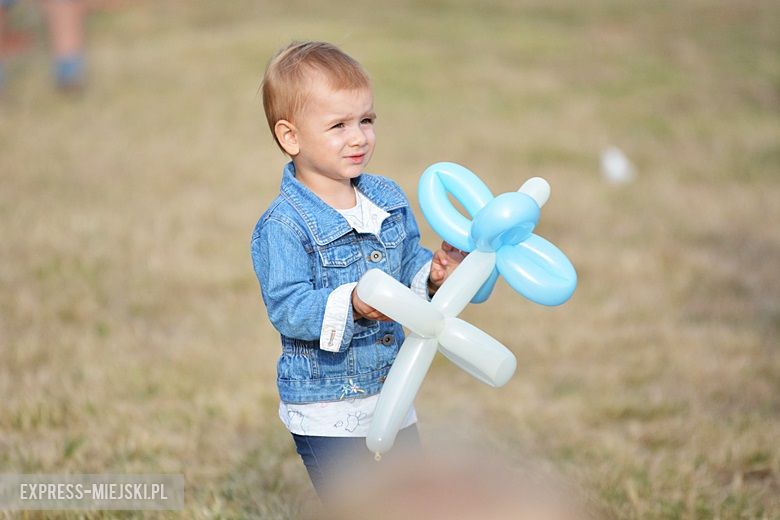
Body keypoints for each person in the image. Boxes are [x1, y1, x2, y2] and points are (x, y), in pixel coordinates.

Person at [251, 41, 465, 499]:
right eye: (339, 125)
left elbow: (406, 260)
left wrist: (434, 274)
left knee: (413, 504)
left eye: (366, 120)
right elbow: (289, 308)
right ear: (291, 137)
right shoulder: (283, 225)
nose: (359, 137)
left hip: (393, 392)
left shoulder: (384, 198)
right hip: (327, 406)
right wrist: (352, 304)